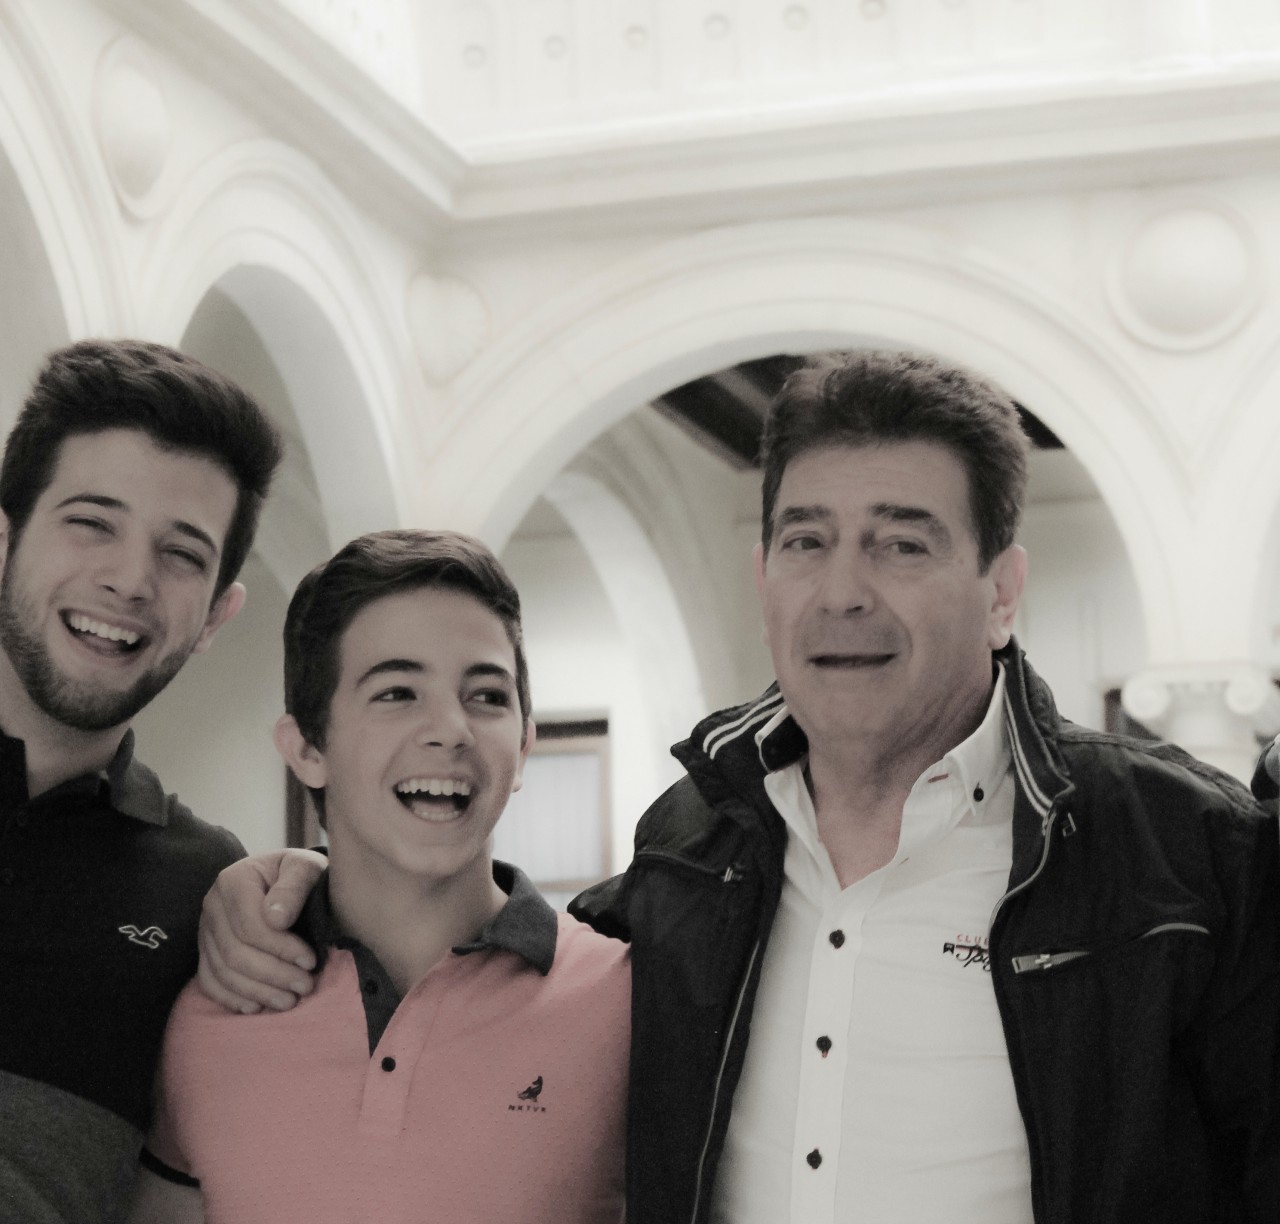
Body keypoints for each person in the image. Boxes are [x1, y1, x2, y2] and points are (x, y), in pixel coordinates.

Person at [199, 350, 1280, 1223]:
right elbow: (476, 948)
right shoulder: (692, 848)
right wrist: (288, 882)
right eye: (806, 541)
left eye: (902, 544)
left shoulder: (1185, 856)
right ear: (764, 576)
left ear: (1000, 590)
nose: (842, 591)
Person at [128, 530, 629, 1224]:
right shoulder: (212, 1012)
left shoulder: (626, 1000)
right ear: (306, 748)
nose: (452, 728)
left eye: (487, 695)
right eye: (398, 692)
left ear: (523, 744)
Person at [0, 338, 283, 1224]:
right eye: (92, 521)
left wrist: (305, 884)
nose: (129, 580)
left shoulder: (208, 891)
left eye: (183, 554)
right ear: (3, 540)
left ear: (216, 616)